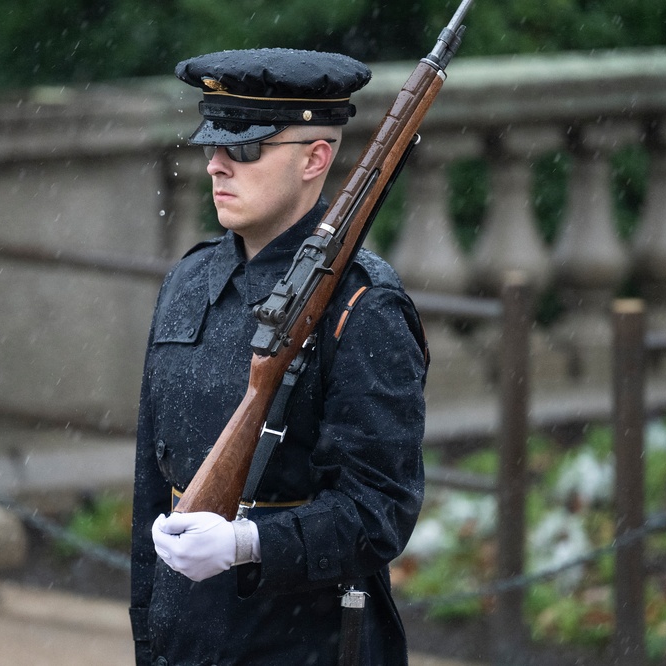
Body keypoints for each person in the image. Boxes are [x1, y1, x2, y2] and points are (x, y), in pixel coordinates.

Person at [130, 47, 429, 666]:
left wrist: (248, 543)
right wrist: (147, 634)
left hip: (304, 643)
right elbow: (150, 487)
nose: (216, 165)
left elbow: (377, 512)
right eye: (212, 144)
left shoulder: (363, 306)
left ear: (315, 159)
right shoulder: (189, 282)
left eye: (243, 149)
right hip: (185, 635)